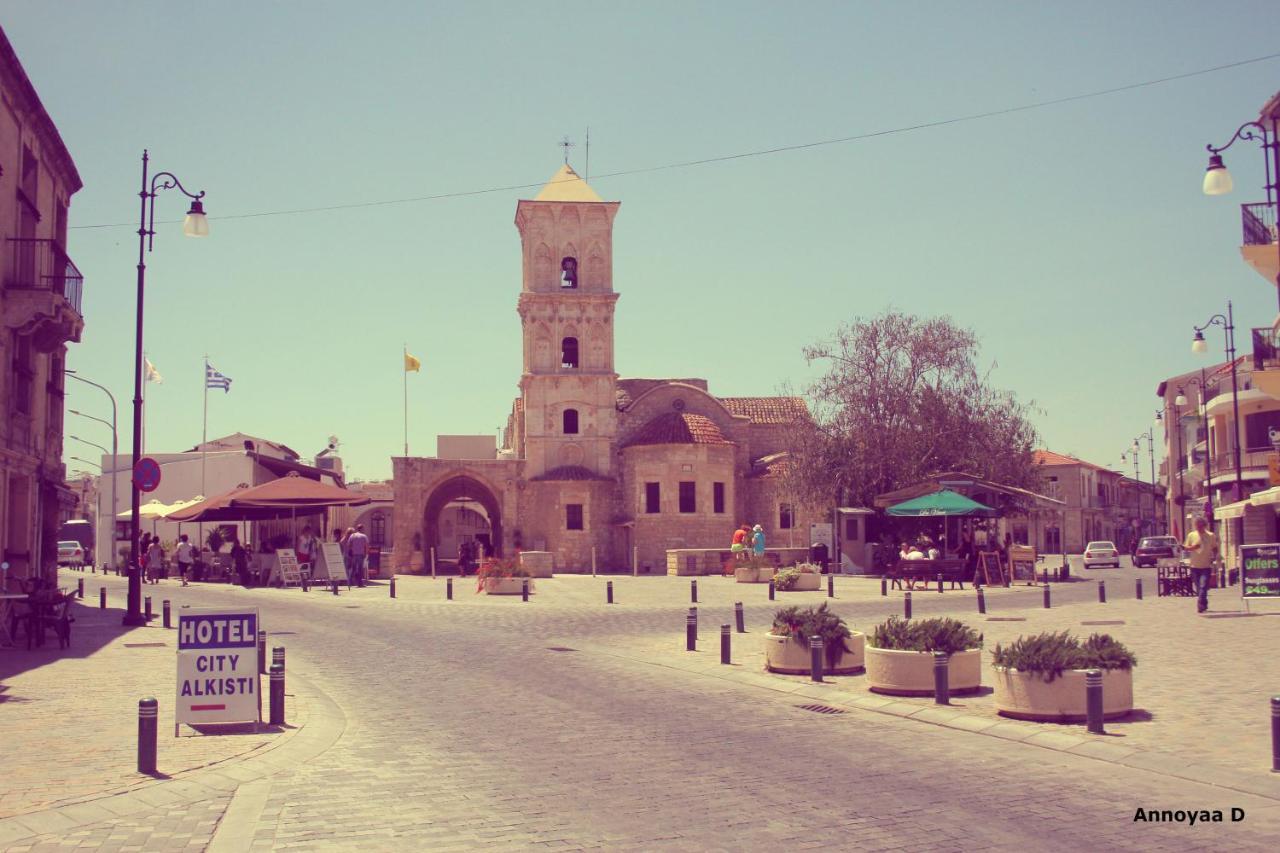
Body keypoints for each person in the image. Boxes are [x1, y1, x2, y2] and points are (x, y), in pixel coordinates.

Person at [1183, 516, 1219, 613]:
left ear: (1204, 526)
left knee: (1203, 586)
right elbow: (1185, 547)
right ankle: (1204, 604)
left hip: (1206, 566)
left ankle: (1200, 605)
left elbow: (1215, 548)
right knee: (1199, 588)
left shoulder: (1211, 535)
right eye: (1196, 526)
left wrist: (1215, 556)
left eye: (1200, 526)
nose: (1198, 528)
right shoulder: (1191, 535)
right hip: (1194, 566)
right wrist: (1193, 547)